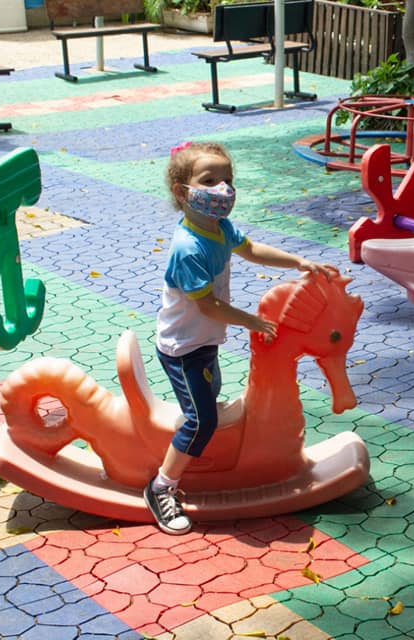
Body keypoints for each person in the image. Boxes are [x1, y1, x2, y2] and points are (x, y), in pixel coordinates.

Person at [147, 141, 336, 534]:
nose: (223, 189)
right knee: (202, 420)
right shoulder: (188, 249)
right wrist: (252, 321)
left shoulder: (218, 228)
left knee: (210, 393)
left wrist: (297, 260)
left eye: (228, 180)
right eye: (210, 180)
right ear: (183, 192)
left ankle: (195, 445)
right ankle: (162, 486)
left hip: (204, 341)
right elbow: (209, 307)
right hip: (183, 347)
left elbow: (251, 249)